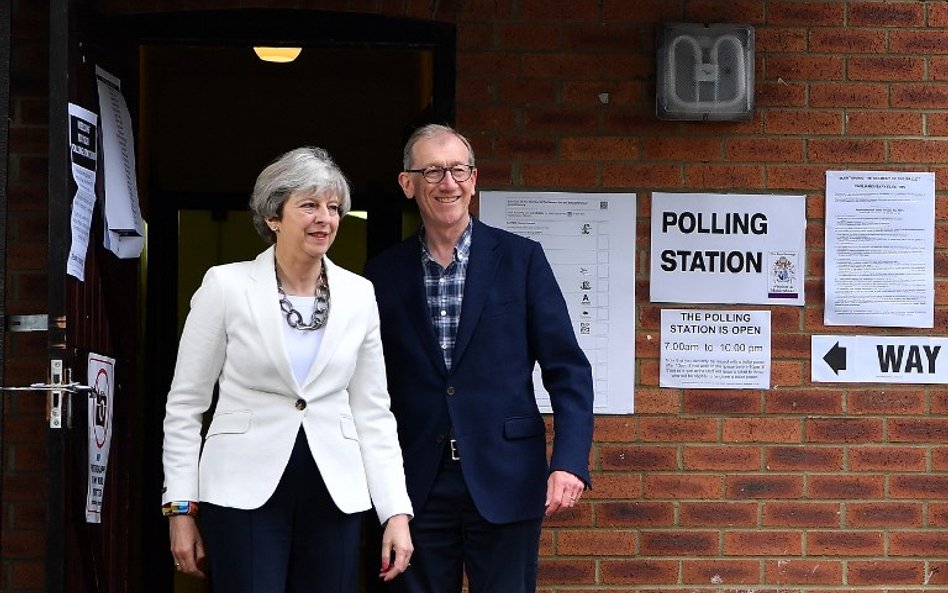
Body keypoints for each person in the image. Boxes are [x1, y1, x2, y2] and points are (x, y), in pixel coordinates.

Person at [161, 146, 413, 593]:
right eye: (309, 205)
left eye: (334, 207)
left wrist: (395, 511)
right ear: (274, 215)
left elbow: (374, 412)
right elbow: (185, 405)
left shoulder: (359, 295)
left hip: (335, 494)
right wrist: (181, 509)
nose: (325, 218)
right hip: (241, 493)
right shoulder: (226, 286)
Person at [363, 124, 594, 593]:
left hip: (506, 476)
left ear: (474, 178)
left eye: (458, 170)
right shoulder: (382, 274)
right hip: (417, 486)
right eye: (431, 171)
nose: (447, 183)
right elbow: (369, 388)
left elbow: (567, 370)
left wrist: (569, 461)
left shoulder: (521, 260)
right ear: (407, 184)